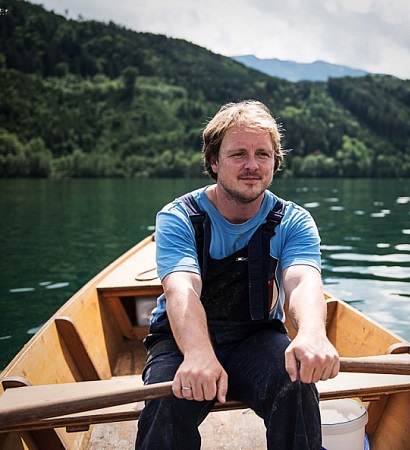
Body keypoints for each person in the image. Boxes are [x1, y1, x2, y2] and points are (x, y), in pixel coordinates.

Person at [135, 100, 340, 449]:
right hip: (180, 341)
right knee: (167, 402)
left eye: (263, 154)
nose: (252, 165)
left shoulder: (293, 220)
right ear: (214, 162)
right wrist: (198, 354)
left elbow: (303, 280)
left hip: (255, 338)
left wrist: (312, 333)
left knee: (296, 382)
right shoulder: (178, 218)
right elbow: (181, 289)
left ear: (275, 161)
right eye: (238, 154)